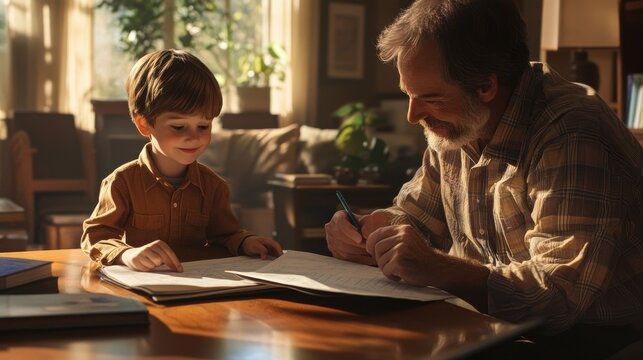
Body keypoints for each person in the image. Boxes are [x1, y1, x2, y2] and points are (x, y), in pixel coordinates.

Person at [325, 0, 643, 349]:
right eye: (409, 95)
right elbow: (416, 215)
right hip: (490, 329)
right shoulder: (458, 122)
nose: (413, 116)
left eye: (429, 98)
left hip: (592, 343)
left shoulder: (573, 131)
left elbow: (558, 296)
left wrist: (439, 268)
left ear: (486, 87)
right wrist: (374, 230)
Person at [82, 49, 283, 272]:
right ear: (144, 124)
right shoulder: (122, 182)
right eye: (179, 127)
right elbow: (96, 236)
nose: (194, 137)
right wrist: (127, 254)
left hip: (203, 289)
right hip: (147, 286)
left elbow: (226, 235)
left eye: (203, 126)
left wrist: (246, 242)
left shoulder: (214, 186)